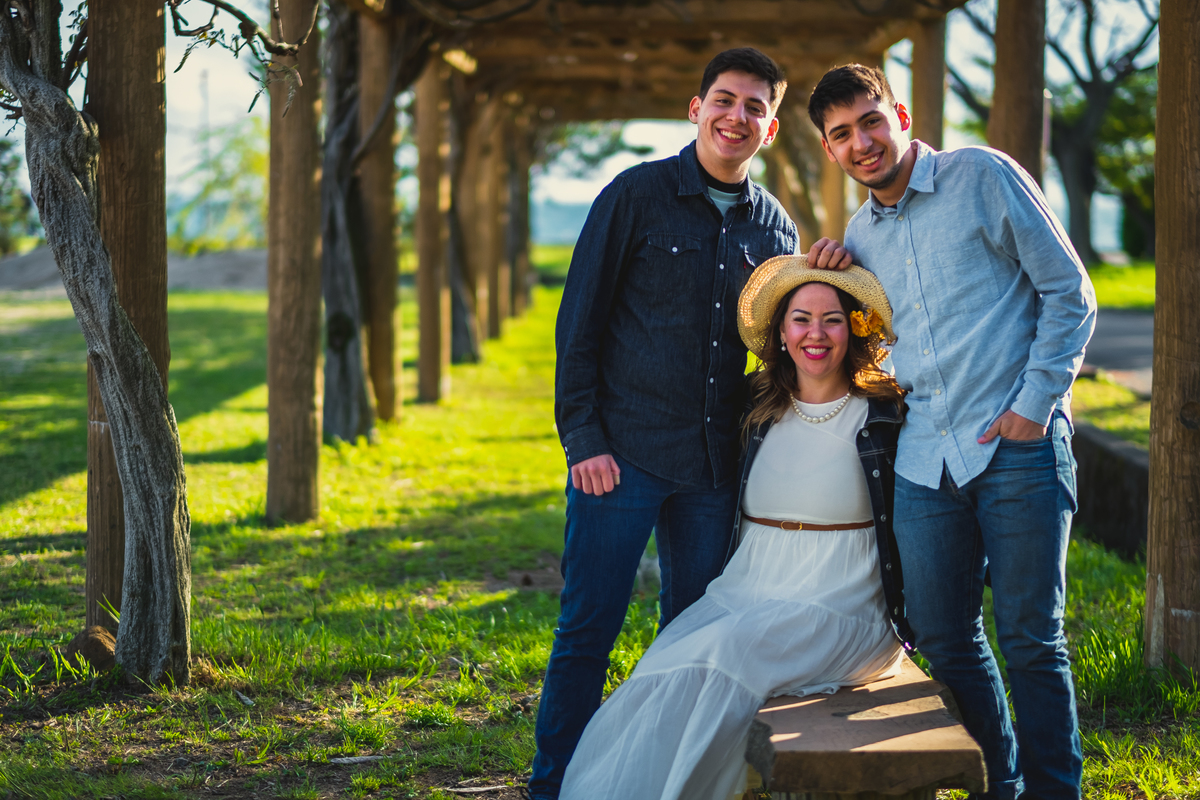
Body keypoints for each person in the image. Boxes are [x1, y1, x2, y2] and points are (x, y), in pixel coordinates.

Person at [532, 47, 831, 800]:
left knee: (695, 640)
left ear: (768, 128)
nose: (738, 116)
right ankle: (555, 784)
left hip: (713, 469)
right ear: (696, 110)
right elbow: (580, 325)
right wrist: (584, 440)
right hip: (622, 457)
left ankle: (667, 781)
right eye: (724, 100)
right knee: (587, 632)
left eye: (755, 107)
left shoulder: (775, 228)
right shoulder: (634, 197)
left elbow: (786, 348)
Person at [806, 64, 1096, 799]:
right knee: (942, 635)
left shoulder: (982, 176)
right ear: (830, 150)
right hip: (926, 461)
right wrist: (834, 278)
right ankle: (1001, 781)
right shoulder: (859, 236)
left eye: (870, 120)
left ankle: (1055, 791)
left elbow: (1070, 292)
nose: (862, 142)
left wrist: (1036, 404)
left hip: (1017, 446)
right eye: (841, 134)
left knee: (1032, 640)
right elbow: (871, 352)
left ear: (898, 113)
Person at [558, 256, 914, 800]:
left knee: (725, 657)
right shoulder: (754, 407)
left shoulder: (886, 413)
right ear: (780, 333)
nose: (815, 334)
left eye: (833, 319)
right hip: (750, 589)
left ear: (856, 328)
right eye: (800, 319)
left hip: (842, 603)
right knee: (665, 662)